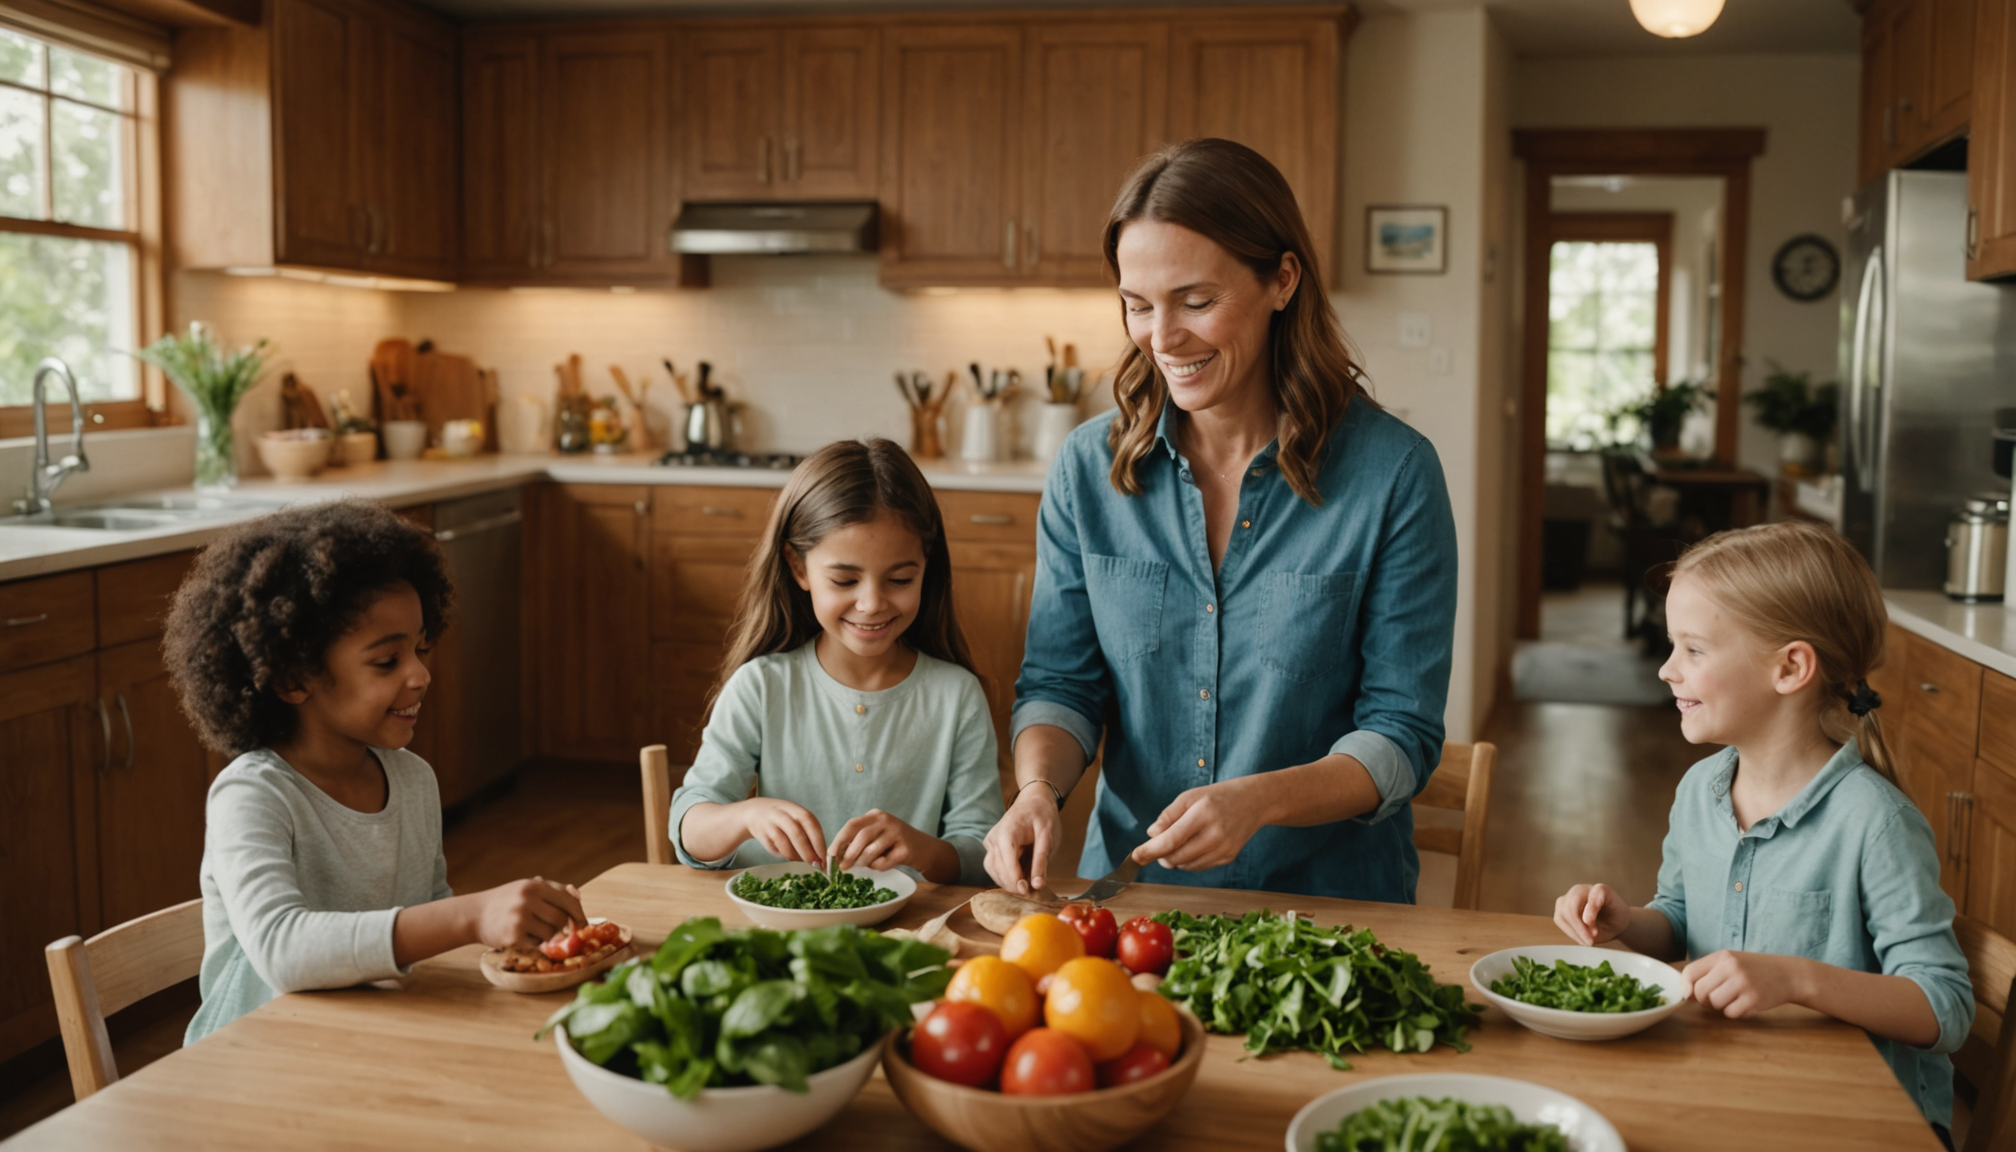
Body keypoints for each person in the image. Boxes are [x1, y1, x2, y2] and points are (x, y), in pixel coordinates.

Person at [984, 138, 1458, 903]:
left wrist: (1259, 800)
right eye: (1138, 305)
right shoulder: (1086, 470)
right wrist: (1038, 790)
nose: (1162, 338)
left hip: (1329, 909)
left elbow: (1402, 733)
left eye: (1196, 301)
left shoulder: (1394, 475)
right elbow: (1060, 684)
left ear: (1282, 279)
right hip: (1132, 899)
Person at [1553, 521, 1972, 1141]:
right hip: (1738, 1084)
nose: (1668, 670)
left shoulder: (1876, 823)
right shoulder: (1700, 791)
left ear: (1790, 668)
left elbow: (1947, 1007)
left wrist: (1796, 979)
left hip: (1865, 1122)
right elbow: (1680, 919)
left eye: (1693, 650)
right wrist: (1628, 923)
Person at [168, 500, 587, 1044]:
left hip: (373, 1041)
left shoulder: (412, 780)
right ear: (294, 678)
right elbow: (281, 949)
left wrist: (510, 932)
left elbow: (430, 919)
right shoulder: (252, 795)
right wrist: (471, 915)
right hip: (258, 1063)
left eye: (421, 648)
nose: (420, 675)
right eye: (387, 661)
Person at [670, 438, 1005, 884]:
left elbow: (983, 856)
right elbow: (689, 833)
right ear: (798, 567)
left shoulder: (956, 695)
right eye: (845, 579)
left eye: (900, 579)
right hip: (769, 928)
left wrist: (922, 849)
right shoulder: (762, 686)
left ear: (928, 566)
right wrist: (746, 816)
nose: (871, 603)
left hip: (906, 935)